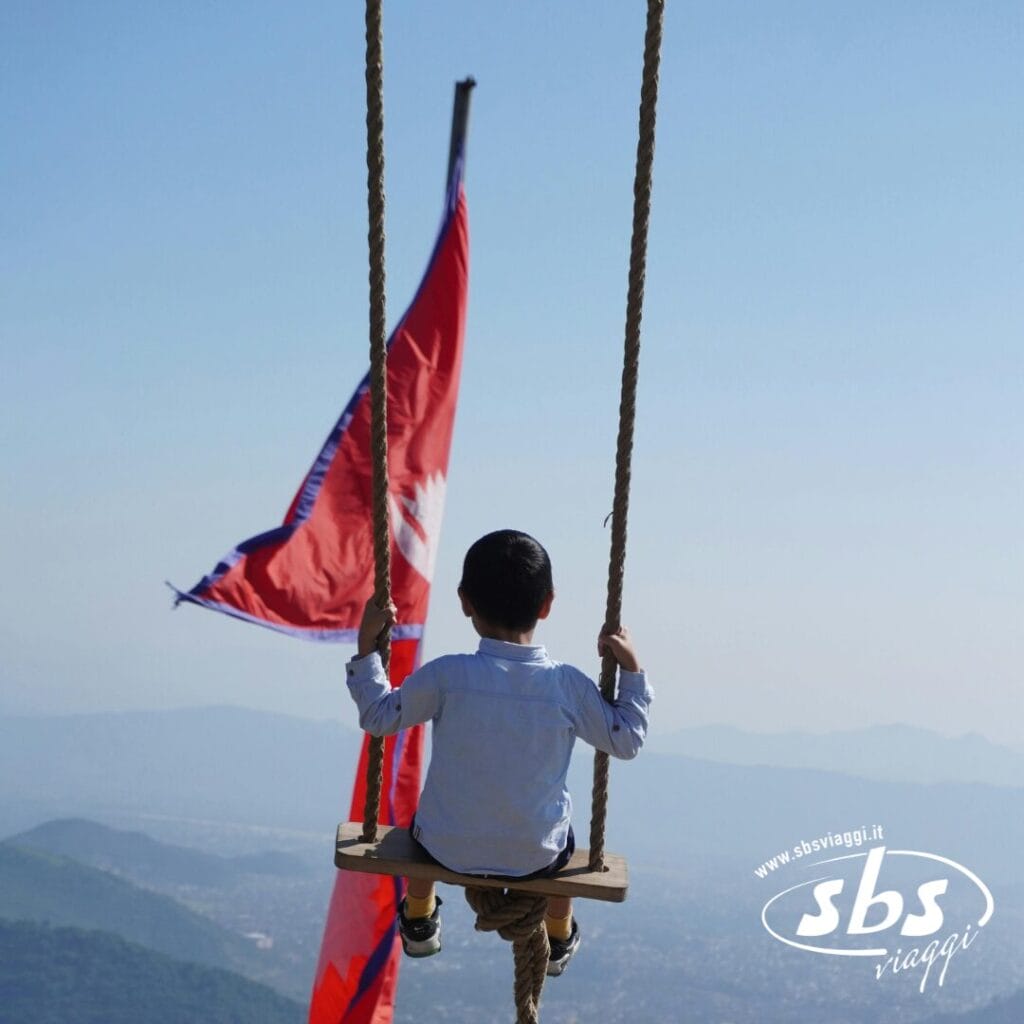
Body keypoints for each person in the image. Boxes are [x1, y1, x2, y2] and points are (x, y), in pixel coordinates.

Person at [346, 529, 653, 976]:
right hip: (536, 855)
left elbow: (378, 715)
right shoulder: (567, 686)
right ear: (547, 604)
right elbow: (626, 740)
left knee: (423, 827)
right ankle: (559, 933)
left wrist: (367, 647)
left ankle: (418, 919)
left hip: (446, 848)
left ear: (465, 601)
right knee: (565, 846)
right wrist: (632, 670)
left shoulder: (448, 676)